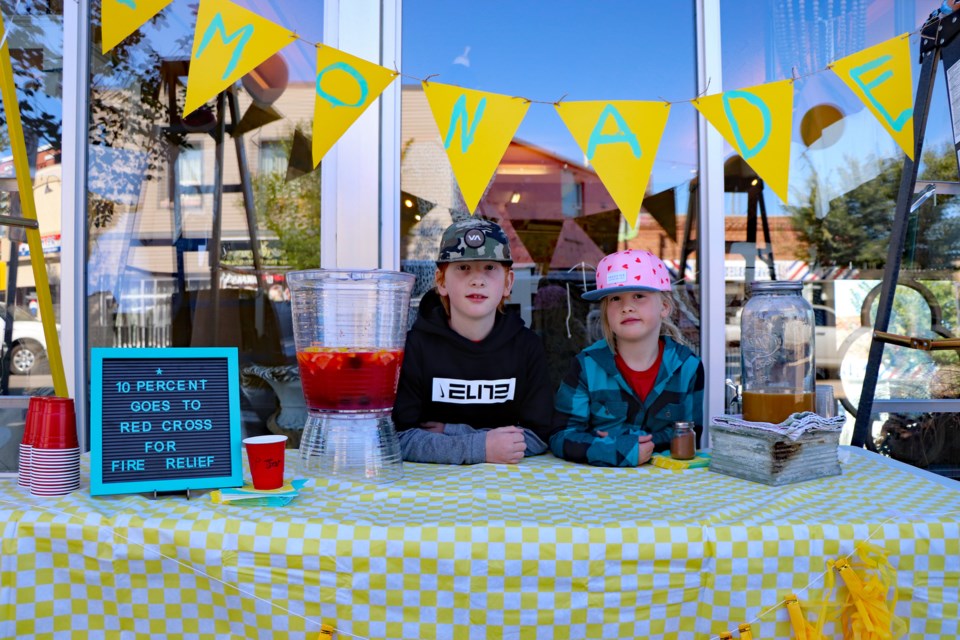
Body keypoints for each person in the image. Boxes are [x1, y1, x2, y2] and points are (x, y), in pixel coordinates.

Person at [392, 217, 554, 464]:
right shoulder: (416, 347)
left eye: (489, 268)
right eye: (463, 267)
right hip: (432, 491)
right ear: (442, 281)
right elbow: (400, 437)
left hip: (510, 490)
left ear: (508, 282)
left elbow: (539, 434)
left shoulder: (527, 347)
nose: (477, 279)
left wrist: (454, 432)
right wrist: (480, 446)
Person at [550, 249, 704, 467]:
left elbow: (690, 433)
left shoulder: (688, 367)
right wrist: (615, 450)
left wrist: (632, 444)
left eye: (639, 296)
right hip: (597, 487)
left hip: (669, 489)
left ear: (665, 307)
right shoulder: (586, 365)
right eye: (615, 298)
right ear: (605, 313)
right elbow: (561, 435)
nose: (627, 307)